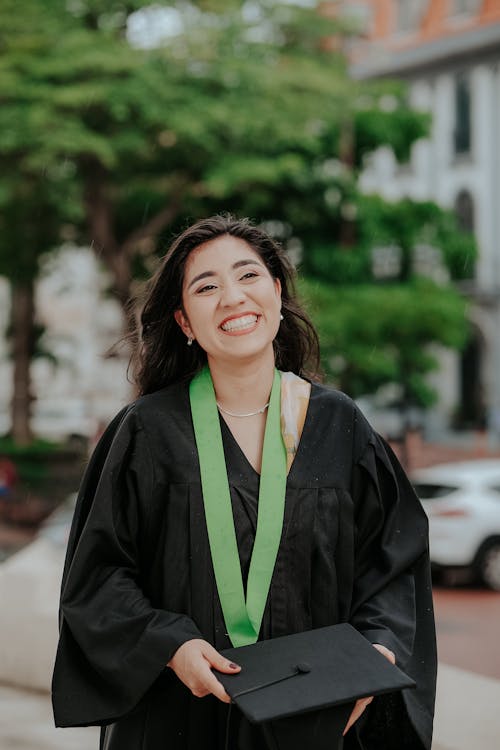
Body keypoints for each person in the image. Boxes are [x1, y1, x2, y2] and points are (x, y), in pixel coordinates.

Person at [52, 215, 436, 749]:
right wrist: (169, 644)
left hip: (313, 713)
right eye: (207, 287)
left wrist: (374, 654)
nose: (233, 297)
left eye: (248, 276)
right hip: (177, 719)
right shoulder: (147, 431)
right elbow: (97, 577)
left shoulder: (339, 425)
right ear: (185, 322)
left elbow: (392, 564)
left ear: (277, 293)